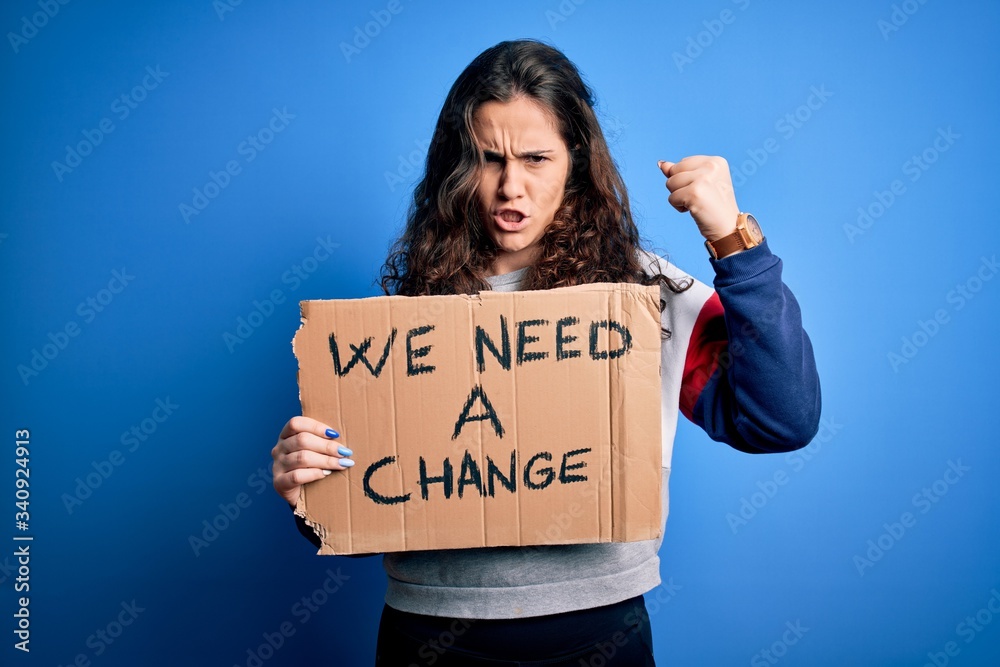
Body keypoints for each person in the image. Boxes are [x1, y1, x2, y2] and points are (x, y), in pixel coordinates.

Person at [271, 39, 821, 666]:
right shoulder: (412, 314)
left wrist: (734, 241)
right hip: (428, 636)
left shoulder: (645, 298)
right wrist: (310, 485)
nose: (512, 187)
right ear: (459, 165)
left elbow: (782, 420)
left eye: (536, 158)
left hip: (597, 635)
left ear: (576, 162)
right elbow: (377, 506)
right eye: (488, 158)